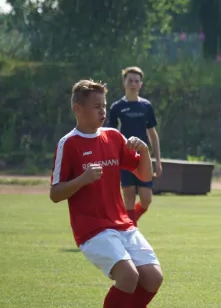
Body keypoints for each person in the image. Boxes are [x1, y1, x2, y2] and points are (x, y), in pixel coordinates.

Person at [50, 79, 163, 308]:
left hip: (123, 225)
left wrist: (143, 149)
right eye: (96, 106)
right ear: (78, 109)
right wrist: (82, 180)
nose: (103, 111)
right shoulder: (68, 143)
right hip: (92, 229)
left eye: (104, 105)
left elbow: (145, 176)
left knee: (153, 278)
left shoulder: (113, 136)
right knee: (128, 276)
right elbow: (55, 193)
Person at [108, 66, 162, 226]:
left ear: (141, 84)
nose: (133, 83)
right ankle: (130, 230)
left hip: (143, 158)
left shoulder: (146, 106)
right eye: (130, 80)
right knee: (129, 195)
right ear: (124, 82)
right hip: (125, 158)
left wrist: (158, 160)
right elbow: (110, 135)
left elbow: (153, 134)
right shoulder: (116, 107)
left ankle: (129, 220)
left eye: (136, 81)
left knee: (146, 199)